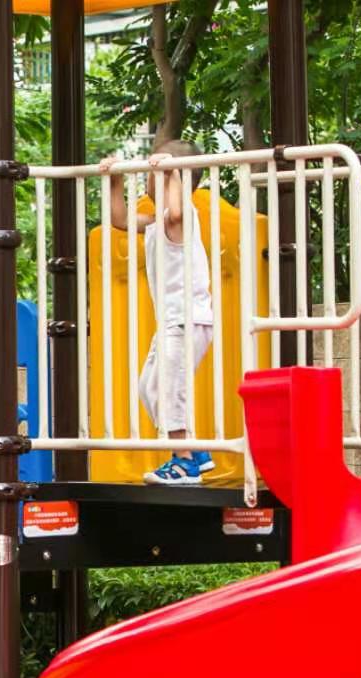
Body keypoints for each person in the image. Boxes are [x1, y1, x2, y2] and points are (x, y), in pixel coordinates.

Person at [104, 139, 216, 485]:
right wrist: (115, 181)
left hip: (187, 319)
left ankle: (184, 464)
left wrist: (171, 172)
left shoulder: (182, 218)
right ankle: (194, 451)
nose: (150, 179)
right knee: (148, 388)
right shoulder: (156, 221)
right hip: (171, 322)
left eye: (158, 175)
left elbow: (178, 211)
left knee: (168, 389)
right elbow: (120, 220)